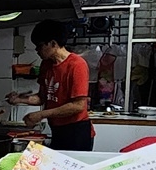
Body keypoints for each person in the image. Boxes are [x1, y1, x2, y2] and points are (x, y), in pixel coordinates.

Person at [7, 20, 94, 151]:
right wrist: (18, 100)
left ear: (53, 44)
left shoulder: (76, 65)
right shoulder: (46, 65)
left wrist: (41, 114)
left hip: (77, 131)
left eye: (40, 46)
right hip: (57, 130)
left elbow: (78, 106)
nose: (37, 50)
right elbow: (43, 98)